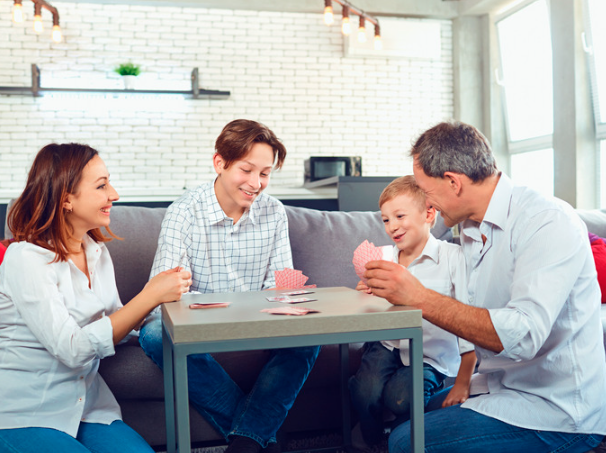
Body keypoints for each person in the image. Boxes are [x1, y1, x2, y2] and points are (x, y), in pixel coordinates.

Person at [364, 121, 606, 453]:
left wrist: (420, 297)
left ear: (453, 182)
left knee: (404, 441)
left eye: (426, 191)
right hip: (501, 386)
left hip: (557, 410)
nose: (427, 204)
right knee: (406, 411)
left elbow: (523, 335)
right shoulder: (469, 228)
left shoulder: (546, 221)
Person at [139, 119, 321, 453]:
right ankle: (256, 437)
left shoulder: (274, 212)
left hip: (259, 318)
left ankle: (245, 444)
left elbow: (279, 284)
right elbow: (167, 293)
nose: (256, 183)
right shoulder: (184, 212)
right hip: (196, 318)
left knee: (311, 333)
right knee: (154, 334)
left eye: (264, 173)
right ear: (220, 163)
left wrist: (283, 304)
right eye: (246, 170)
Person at [0, 143, 192, 453]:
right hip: (23, 410)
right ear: (66, 199)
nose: (114, 194)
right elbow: (72, 350)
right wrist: (148, 295)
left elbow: (116, 323)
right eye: (101, 185)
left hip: (89, 408)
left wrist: (163, 304)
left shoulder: (96, 252)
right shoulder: (26, 259)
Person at [349, 175, 476, 451]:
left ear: (429, 213)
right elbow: (367, 309)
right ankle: (373, 441)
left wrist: (464, 380)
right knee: (364, 392)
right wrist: (364, 294)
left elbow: (468, 318)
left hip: (430, 355)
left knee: (400, 398)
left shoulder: (452, 258)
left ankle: (401, 437)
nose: (392, 226)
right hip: (386, 345)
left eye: (399, 216)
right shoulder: (381, 257)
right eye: (385, 220)